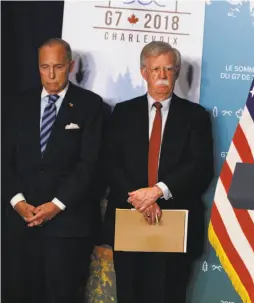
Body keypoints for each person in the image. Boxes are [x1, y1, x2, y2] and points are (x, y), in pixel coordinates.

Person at [102, 41, 214, 303]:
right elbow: (109, 163)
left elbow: (200, 168)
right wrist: (140, 199)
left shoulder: (196, 116)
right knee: (129, 294)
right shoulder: (122, 113)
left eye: (168, 69)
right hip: (129, 217)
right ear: (144, 73)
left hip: (174, 220)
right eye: (155, 70)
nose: (162, 76)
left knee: (168, 295)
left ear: (176, 72)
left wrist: (157, 192)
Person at [3, 38, 104, 303]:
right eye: (44, 67)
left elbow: (90, 165)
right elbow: (5, 160)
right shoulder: (16, 104)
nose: (50, 74)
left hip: (67, 226)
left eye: (58, 66)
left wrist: (56, 205)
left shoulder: (91, 105)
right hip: (20, 225)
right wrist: (18, 202)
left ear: (70, 66)